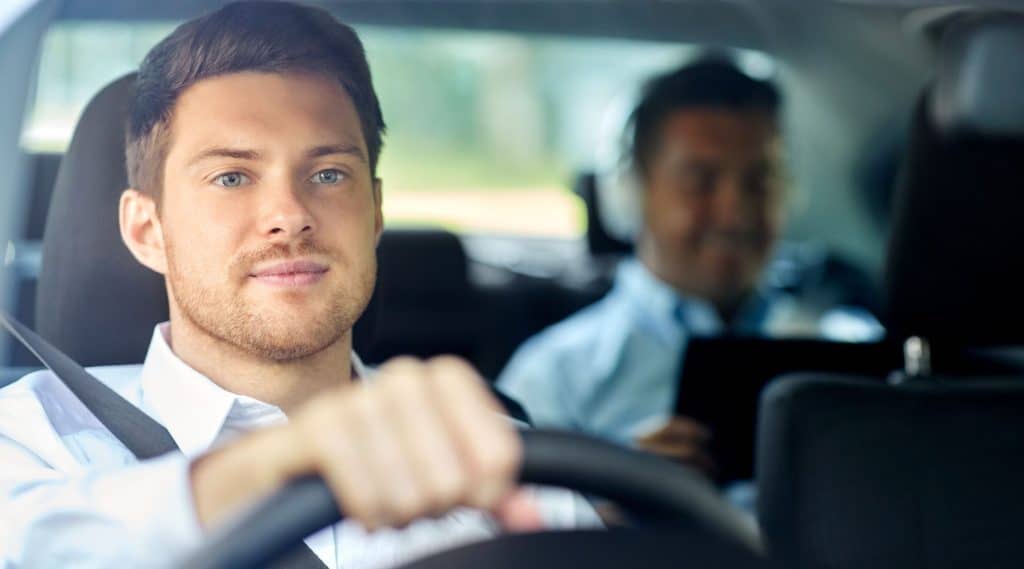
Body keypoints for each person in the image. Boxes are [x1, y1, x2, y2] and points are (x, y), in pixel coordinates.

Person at [0, 3, 597, 567]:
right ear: (147, 229)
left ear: (375, 213)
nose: (290, 215)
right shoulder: (30, 441)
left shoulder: (503, 466)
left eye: (329, 174)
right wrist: (273, 465)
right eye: (232, 177)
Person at [497, 59, 881, 473]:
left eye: (759, 181)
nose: (735, 215)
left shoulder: (854, 353)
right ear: (633, 190)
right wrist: (629, 489)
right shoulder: (555, 378)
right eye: (700, 181)